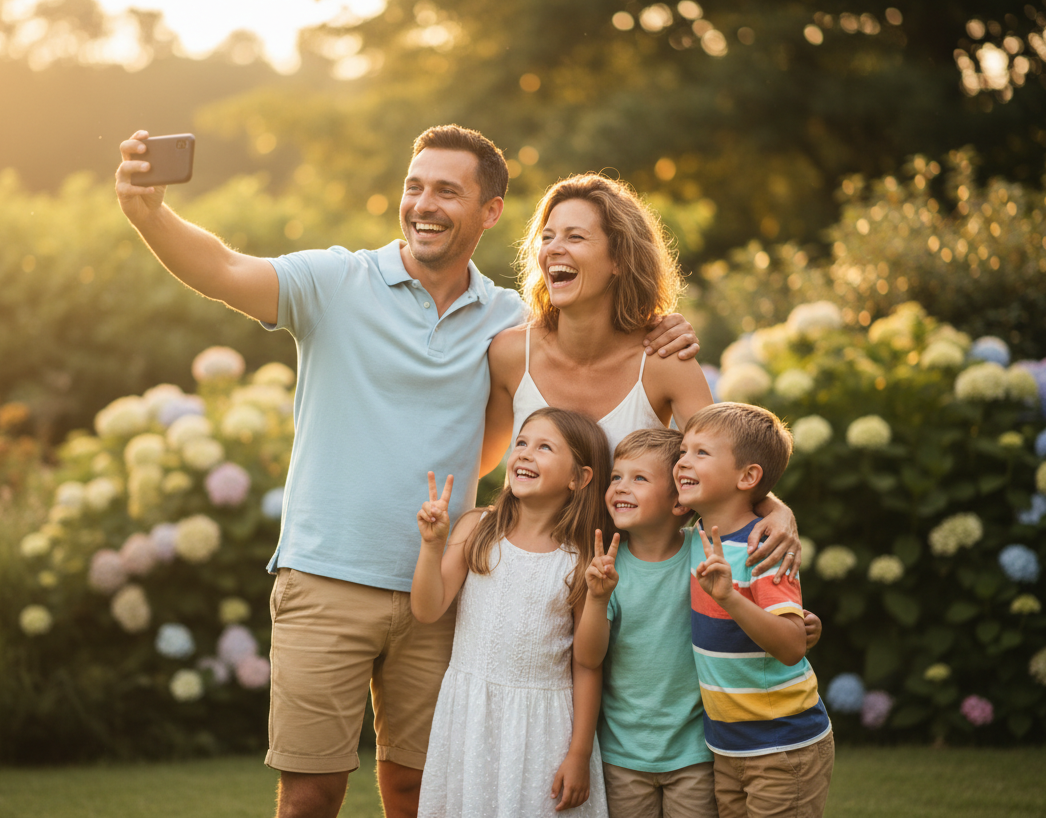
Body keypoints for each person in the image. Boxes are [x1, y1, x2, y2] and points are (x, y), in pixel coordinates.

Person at [115, 124, 696, 818]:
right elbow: (222, 267)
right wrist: (149, 212)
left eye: (448, 190)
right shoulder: (335, 281)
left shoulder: (510, 322)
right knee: (309, 795)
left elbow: (528, 428)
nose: (424, 203)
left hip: (447, 591)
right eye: (414, 187)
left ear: (490, 211)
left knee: (423, 793)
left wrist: (664, 327)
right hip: (328, 575)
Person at [485, 175, 803, 583]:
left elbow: (723, 459)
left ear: (618, 258)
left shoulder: (664, 361)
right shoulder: (511, 354)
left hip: (632, 592)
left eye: (576, 237)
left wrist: (776, 509)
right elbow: (476, 461)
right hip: (523, 577)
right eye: (547, 237)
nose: (554, 249)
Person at [574, 429, 823, 818]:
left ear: (679, 501)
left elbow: (737, 520)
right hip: (623, 752)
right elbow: (588, 656)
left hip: (697, 751)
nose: (621, 487)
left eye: (639, 478)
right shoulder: (607, 565)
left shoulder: (706, 550)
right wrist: (597, 597)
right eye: (616, 477)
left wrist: (779, 512)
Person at [411, 407, 613, 817]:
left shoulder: (580, 559)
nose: (524, 453)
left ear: (579, 478)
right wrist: (432, 547)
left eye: (544, 447)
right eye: (521, 442)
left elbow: (588, 663)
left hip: (543, 727)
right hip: (470, 715)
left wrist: (579, 753)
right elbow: (427, 609)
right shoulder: (476, 528)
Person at [679, 403, 834, 818]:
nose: (682, 463)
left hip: (782, 746)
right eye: (682, 451)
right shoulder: (694, 535)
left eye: (700, 453)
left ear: (747, 477)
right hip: (728, 745)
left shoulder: (764, 547)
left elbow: (790, 646)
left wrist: (729, 598)